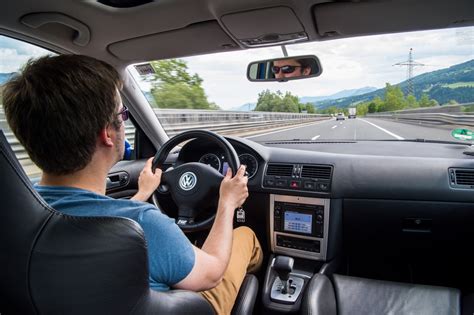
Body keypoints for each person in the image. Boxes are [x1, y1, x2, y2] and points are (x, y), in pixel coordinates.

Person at [3, 55, 262, 315]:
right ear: (107, 133)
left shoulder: (16, 218)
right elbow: (212, 273)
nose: (124, 121)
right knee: (245, 236)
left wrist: (143, 193)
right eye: (123, 114)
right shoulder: (146, 224)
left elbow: (95, 215)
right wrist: (227, 202)